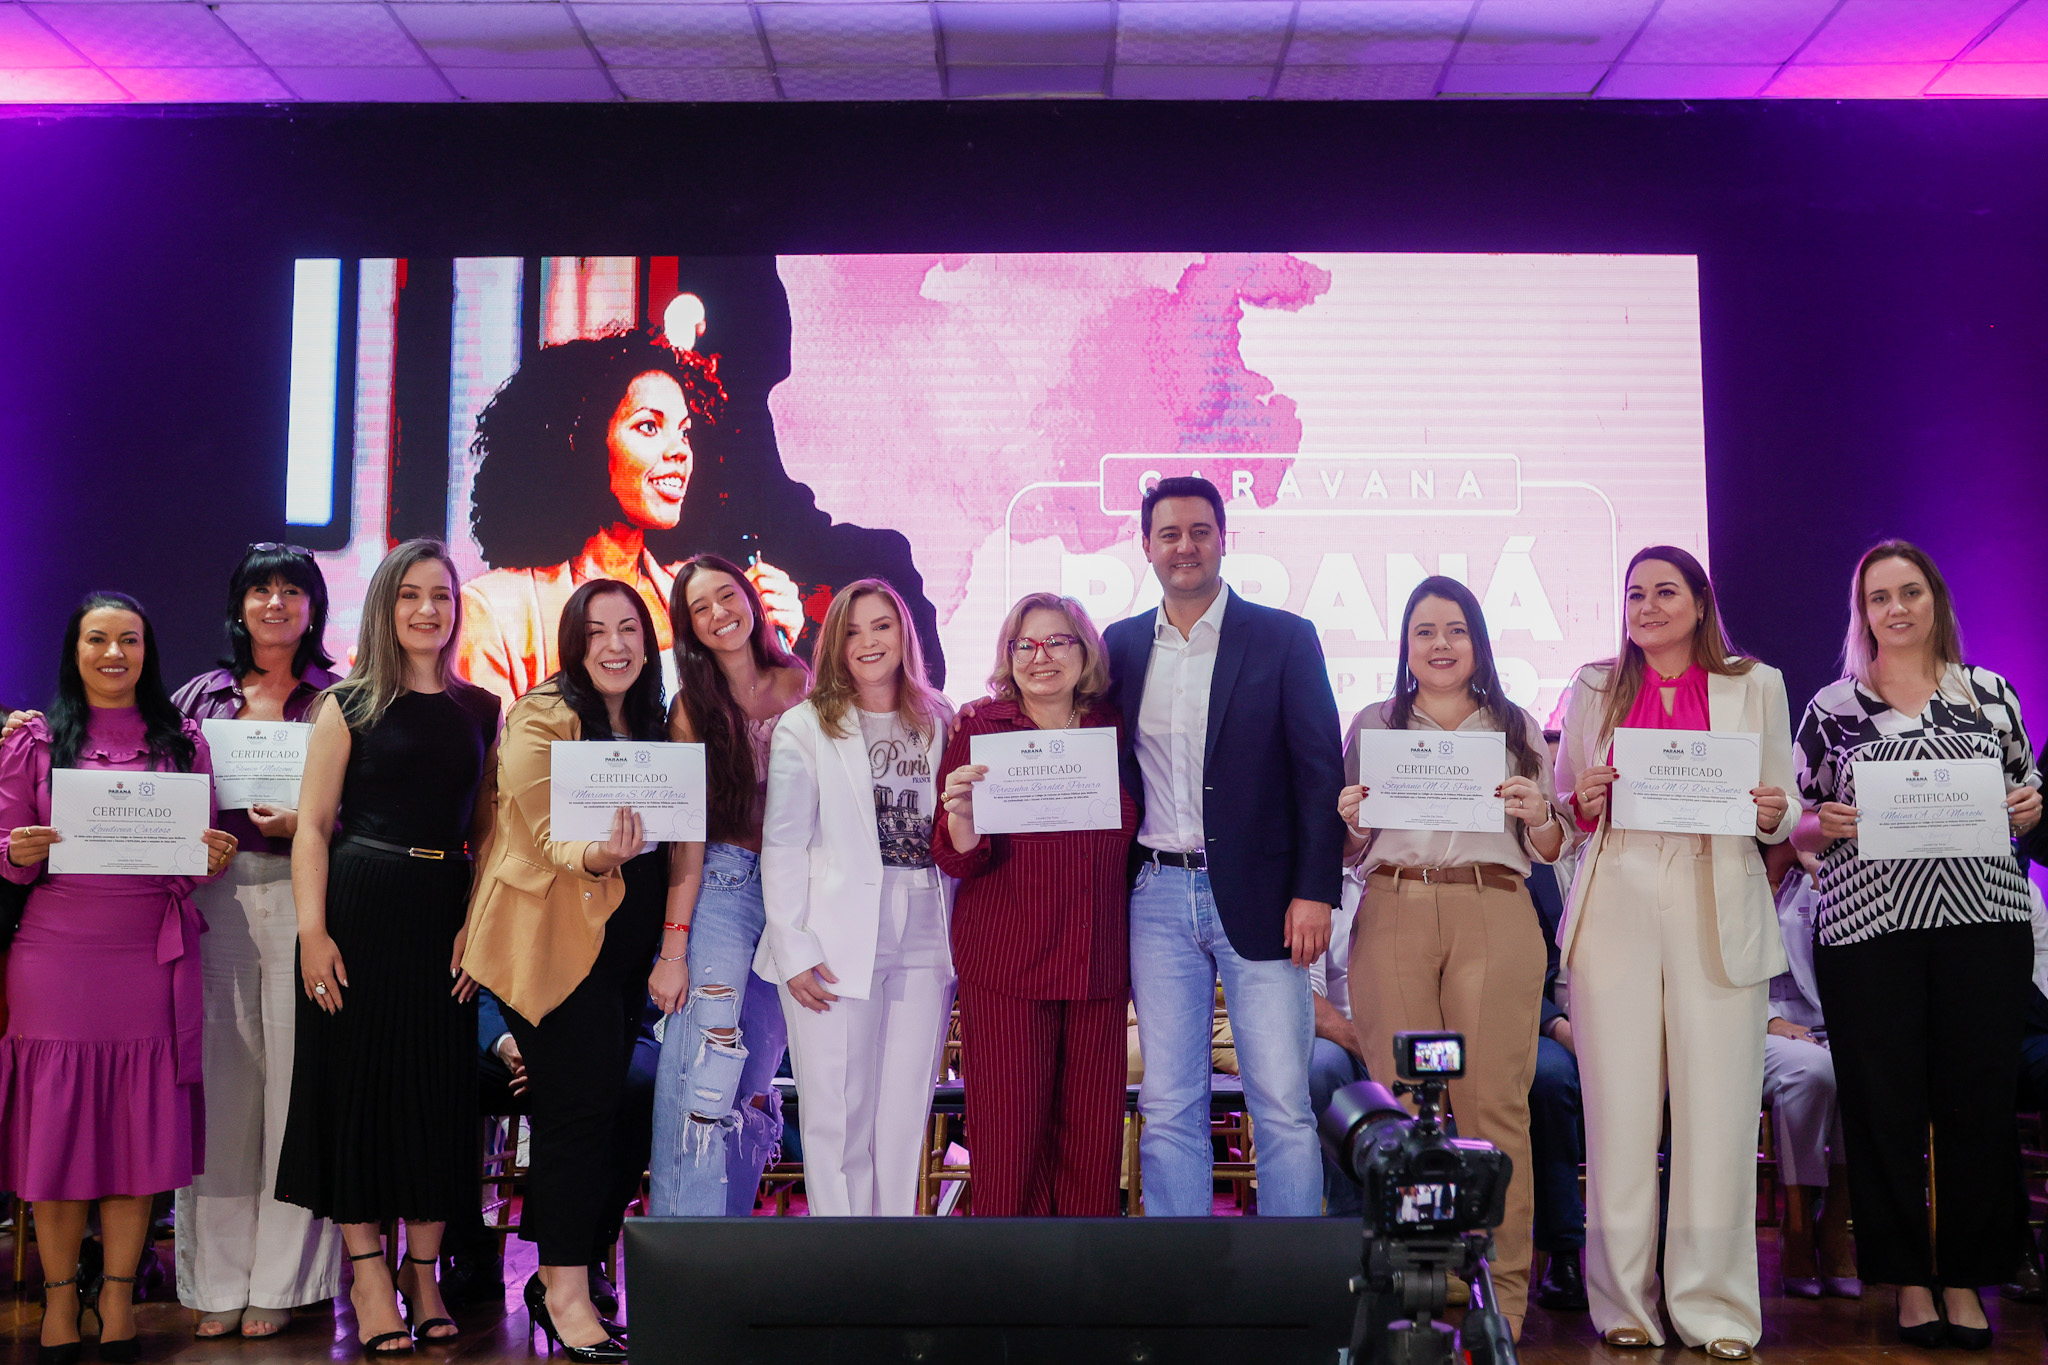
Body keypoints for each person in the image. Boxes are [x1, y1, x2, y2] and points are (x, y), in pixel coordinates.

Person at [1792, 539, 2042, 1349]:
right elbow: (1793, 823)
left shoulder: (1991, 694)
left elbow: (2027, 789)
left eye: (1909, 592)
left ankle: (1966, 1277)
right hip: (1869, 933)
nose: (1896, 609)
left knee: (1977, 1104)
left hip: (1984, 925)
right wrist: (1820, 823)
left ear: (1935, 600)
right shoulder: (1833, 707)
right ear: (1862, 613)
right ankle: (1906, 1278)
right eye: (1879, 597)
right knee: (1883, 1107)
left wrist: (2032, 807)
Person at [1555, 545, 1796, 1360]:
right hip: (1617, 892)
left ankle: (1715, 1307)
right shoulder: (1594, 685)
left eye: (1665, 591)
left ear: (1700, 601)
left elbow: (1781, 806)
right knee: (1618, 1116)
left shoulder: (1755, 683)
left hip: (1715, 890)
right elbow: (1566, 806)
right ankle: (1623, 1300)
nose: (1648, 606)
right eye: (1635, 594)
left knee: (1719, 1116)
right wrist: (1582, 798)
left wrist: (1770, 808)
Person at [274, 539, 502, 1355]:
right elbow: (311, 828)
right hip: (360, 906)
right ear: (384, 605)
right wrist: (312, 931)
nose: (427, 609)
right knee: (359, 1094)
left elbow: (490, 831)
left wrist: (477, 921)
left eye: (441, 594)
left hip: (445, 913)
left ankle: (423, 1272)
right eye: (410, 594)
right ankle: (369, 1275)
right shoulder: (346, 704)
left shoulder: (482, 709)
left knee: (436, 1097)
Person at [0, 591, 239, 1364]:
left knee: (136, 1132)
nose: (113, 653)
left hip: (147, 955)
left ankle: (116, 1297)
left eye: (128, 640)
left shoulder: (184, 741)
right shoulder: (33, 742)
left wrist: (209, 859)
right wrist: (17, 851)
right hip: (56, 956)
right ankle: (58, 1299)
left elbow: (191, 861)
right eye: (97, 639)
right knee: (58, 1134)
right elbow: (4, 854)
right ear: (74, 651)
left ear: (147, 650)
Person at [1101, 475, 1343, 1217]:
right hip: (1156, 895)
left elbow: (1319, 772)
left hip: (1266, 900)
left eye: (1199, 531)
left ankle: (1288, 1275)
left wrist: (1315, 892)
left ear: (1223, 539)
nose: (1185, 546)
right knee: (1170, 1101)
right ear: (1146, 546)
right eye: (1169, 533)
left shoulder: (1283, 637)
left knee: (1282, 1102)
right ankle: (1184, 1275)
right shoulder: (1119, 645)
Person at [1336, 577, 1571, 1335]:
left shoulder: (1515, 724)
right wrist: (1351, 820)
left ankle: (1502, 1299)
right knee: (1406, 1107)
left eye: (1456, 630)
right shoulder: (1373, 724)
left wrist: (1540, 813)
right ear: (1405, 646)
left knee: (1491, 1105)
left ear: (1478, 642)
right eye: (1424, 631)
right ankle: (1418, 1295)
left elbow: (1550, 847)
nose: (1440, 644)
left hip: (1491, 906)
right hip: (1395, 906)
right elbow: (1348, 850)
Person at [461, 579, 672, 1362]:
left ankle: (563, 1279)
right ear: (574, 643)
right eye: (597, 631)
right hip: (556, 948)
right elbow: (549, 834)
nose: (615, 645)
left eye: (629, 629)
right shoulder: (540, 715)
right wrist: (600, 852)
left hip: (624, 959)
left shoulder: (652, 721)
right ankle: (566, 1294)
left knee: (600, 1113)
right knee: (576, 1118)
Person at [167, 543, 345, 1339]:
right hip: (212, 900)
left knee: (296, 1088)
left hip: (308, 899)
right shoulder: (196, 697)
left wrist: (312, 824)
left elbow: (367, 808)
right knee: (221, 1089)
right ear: (239, 606)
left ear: (313, 606)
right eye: (261, 590)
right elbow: (157, 791)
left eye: (292, 590)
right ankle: (216, 1281)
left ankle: (284, 1281)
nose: (276, 603)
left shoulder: (339, 697)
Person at [459, 329, 805, 710]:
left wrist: (766, 653)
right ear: (581, 440)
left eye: (684, 432)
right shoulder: (492, 612)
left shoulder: (700, 599)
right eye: (649, 426)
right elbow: (492, 749)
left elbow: (746, 733)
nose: (680, 451)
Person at [933, 592, 1137, 1216]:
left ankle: (1084, 1274)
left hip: (1096, 961)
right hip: (1006, 963)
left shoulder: (1114, 727)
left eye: (1056, 641)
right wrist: (963, 817)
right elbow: (953, 856)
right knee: (1008, 1144)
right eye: (1024, 644)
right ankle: (1008, 1274)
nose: (1039, 656)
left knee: (1092, 1148)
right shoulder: (980, 728)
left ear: (1085, 652)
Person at [762, 579, 956, 1215]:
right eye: (852, 631)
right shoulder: (805, 725)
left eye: (882, 626)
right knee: (838, 1114)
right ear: (834, 644)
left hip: (926, 928)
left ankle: (891, 1259)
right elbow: (783, 844)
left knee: (903, 1116)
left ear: (905, 634)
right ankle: (843, 1262)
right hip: (833, 936)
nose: (869, 642)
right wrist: (792, 947)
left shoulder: (940, 718)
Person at [647, 555, 810, 1216]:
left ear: (750, 597)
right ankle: (684, 1247)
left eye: (726, 595)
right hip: (723, 883)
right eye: (700, 608)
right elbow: (686, 835)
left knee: (753, 1083)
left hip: (794, 894)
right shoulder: (691, 706)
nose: (719, 613)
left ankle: (728, 1241)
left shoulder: (801, 681)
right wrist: (673, 948)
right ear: (689, 628)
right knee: (703, 1075)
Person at [1757, 840, 1859, 1300]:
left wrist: (1823, 879)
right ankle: (1796, 1226)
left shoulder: (1824, 876)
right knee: (1813, 1071)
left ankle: (1834, 1222)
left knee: (1861, 1069)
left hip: (1827, 1019)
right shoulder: (1729, 869)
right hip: (1751, 1023)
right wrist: (1770, 1021)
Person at [1523, 860, 1589, 1312]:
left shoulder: (1636, 846)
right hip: (1544, 1021)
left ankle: (1664, 1249)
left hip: (1632, 1011)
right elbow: (1507, 961)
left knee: (1677, 1074)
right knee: (1548, 1078)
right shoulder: (1522, 857)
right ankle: (1563, 1252)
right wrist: (1558, 1025)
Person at [1307, 872, 1367, 1217]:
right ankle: (1348, 1213)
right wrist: (1364, 1045)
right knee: (1319, 1067)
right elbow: (1307, 997)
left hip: (1412, 1036)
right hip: (1345, 1038)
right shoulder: (1321, 884)